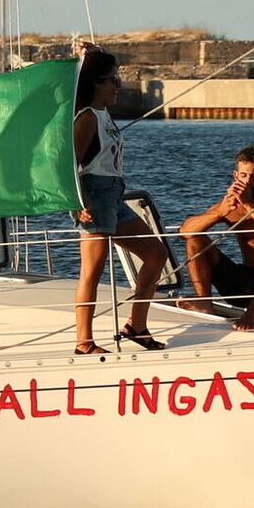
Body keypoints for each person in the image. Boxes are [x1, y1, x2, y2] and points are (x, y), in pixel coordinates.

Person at [71, 47, 169, 353]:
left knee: (156, 253)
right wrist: (76, 204)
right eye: (113, 80)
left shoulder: (103, 113)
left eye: (118, 78)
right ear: (97, 84)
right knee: (93, 270)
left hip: (114, 194)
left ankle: (136, 326)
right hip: (95, 195)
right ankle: (84, 341)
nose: (119, 86)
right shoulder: (87, 118)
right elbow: (68, 163)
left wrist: (92, 53)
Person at [178, 145, 254, 331]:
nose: (248, 182)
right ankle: (204, 302)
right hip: (246, 286)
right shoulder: (230, 205)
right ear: (235, 176)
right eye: (243, 176)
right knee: (196, 240)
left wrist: (249, 203)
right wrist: (220, 212)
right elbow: (185, 231)